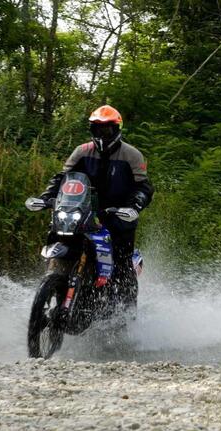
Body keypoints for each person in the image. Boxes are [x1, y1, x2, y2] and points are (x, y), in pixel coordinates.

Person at [40, 105, 153, 307]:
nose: (103, 133)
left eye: (107, 129)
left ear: (117, 129)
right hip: (81, 213)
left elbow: (143, 187)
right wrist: (47, 197)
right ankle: (53, 285)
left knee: (122, 265)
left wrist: (134, 206)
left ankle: (126, 314)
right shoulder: (82, 151)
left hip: (118, 218)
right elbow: (62, 178)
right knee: (57, 235)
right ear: (92, 130)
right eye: (98, 129)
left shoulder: (132, 155)